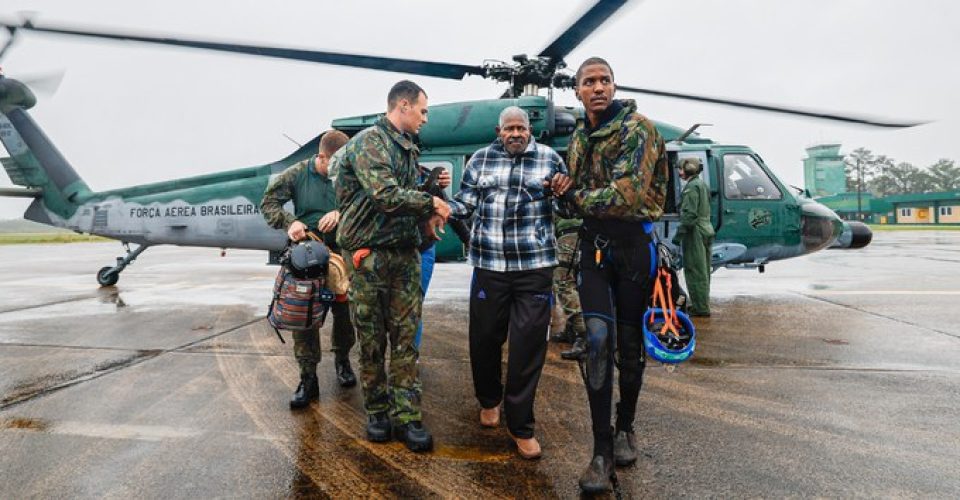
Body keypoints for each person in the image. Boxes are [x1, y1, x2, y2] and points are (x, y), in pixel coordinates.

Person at [560, 57, 669, 493]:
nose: (598, 87)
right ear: (578, 91)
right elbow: (577, 196)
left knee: (628, 345)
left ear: (614, 85)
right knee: (599, 342)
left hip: (634, 251)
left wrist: (575, 197)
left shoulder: (637, 128)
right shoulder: (577, 137)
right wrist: (563, 193)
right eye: (590, 82)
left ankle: (626, 425)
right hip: (594, 251)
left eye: (605, 80)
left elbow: (627, 195)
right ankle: (601, 452)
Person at [446, 106, 570, 460]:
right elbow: (465, 203)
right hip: (489, 265)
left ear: (530, 130)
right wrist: (441, 207)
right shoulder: (480, 161)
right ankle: (489, 399)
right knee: (484, 338)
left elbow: (567, 209)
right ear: (498, 131)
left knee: (529, 346)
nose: (515, 134)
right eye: (509, 129)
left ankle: (521, 427)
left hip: (534, 266)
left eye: (521, 128)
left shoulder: (550, 159)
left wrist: (565, 194)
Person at [335, 80, 450, 453]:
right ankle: (378, 412)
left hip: (404, 255)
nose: (425, 118)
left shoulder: (407, 149)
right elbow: (385, 196)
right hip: (369, 257)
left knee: (405, 340)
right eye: (423, 110)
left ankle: (407, 415)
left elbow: (407, 196)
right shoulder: (371, 141)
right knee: (372, 341)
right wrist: (431, 203)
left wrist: (431, 191)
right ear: (403, 105)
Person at [260, 129, 357, 409]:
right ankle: (308, 378)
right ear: (322, 157)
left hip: (341, 255)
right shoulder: (298, 174)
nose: (340, 169)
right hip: (307, 256)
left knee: (345, 314)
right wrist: (290, 222)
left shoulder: (348, 173)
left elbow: (366, 202)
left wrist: (341, 213)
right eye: (335, 164)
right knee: (303, 317)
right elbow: (268, 202)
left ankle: (342, 360)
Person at [672, 158, 714, 316]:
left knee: (695, 270)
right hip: (706, 228)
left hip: (695, 231)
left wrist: (678, 235)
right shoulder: (701, 184)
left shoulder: (691, 187)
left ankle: (700, 308)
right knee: (704, 271)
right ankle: (702, 303)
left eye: (680, 168)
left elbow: (690, 215)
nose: (679, 171)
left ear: (686, 169)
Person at [551, 216, 588, 360]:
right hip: (575, 230)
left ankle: (583, 334)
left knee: (563, 282)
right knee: (570, 282)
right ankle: (573, 329)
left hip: (570, 232)